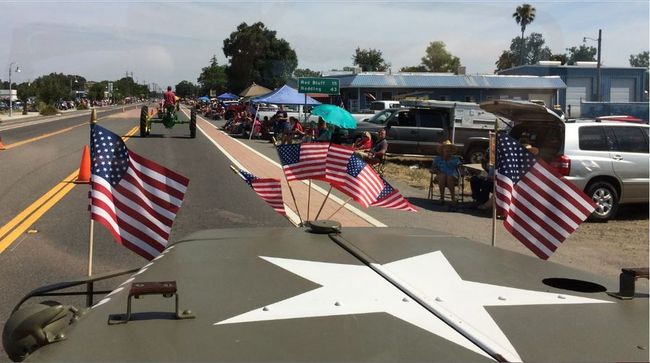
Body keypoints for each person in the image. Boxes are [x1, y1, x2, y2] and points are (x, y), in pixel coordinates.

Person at [431, 140, 462, 204]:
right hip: (440, 176)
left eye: (450, 148)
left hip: (453, 177)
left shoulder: (456, 159)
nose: (448, 150)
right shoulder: (438, 158)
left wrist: (459, 167)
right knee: (443, 176)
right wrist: (436, 170)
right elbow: (432, 168)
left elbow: (461, 168)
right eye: (446, 148)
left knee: (449, 177)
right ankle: (442, 198)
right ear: (442, 150)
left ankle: (453, 198)